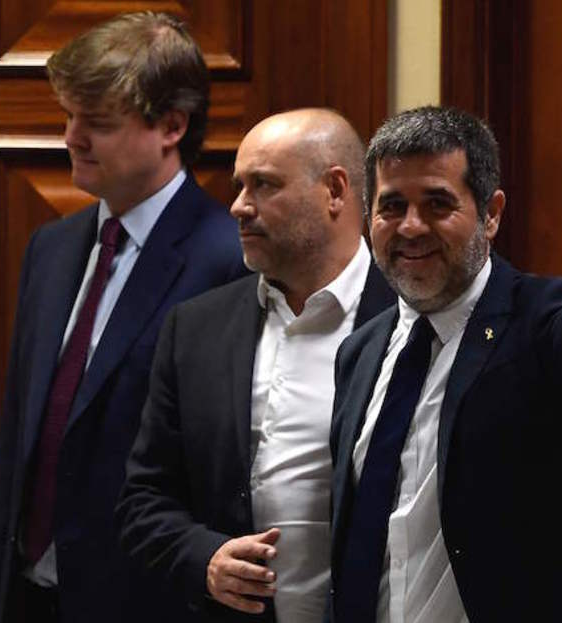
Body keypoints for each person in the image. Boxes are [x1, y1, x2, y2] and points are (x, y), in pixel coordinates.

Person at [327, 106, 562, 622]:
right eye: (391, 206)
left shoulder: (538, 322)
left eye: (437, 204)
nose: (411, 226)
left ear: (491, 213)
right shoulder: (360, 351)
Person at [0, 11, 248, 623]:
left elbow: (220, 468)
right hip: (26, 591)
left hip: (141, 599)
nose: (71, 138)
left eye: (98, 123)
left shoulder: (229, 261)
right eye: (69, 116)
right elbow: (22, 429)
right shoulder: (51, 247)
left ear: (172, 126)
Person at [116, 109, 396, 622]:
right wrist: (205, 559)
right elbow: (144, 499)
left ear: (335, 191)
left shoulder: (411, 319)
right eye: (239, 186)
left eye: (263, 185)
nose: (239, 207)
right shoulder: (195, 328)